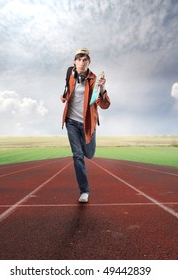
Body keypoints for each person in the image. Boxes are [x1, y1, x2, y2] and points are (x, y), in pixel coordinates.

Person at [61, 48, 111, 203]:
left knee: (89, 154)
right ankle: (84, 191)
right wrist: (63, 96)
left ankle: (89, 147)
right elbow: (67, 91)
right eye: (79, 59)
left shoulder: (94, 80)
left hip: (87, 123)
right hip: (71, 122)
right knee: (77, 155)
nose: (81, 63)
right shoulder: (70, 75)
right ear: (74, 62)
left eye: (85, 60)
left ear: (89, 62)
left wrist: (102, 88)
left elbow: (104, 105)